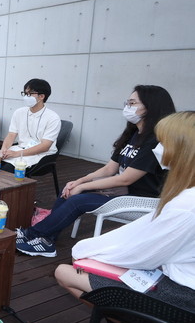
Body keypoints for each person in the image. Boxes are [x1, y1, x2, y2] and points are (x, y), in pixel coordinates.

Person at [55, 111, 195, 323]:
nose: (157, 148)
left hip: (184, 302)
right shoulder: (186, 197)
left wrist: (82, 250)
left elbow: (140, 252)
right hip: (179, 280)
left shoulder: (186, 205)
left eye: (163, 142)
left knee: (65, 272)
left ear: (182, 148)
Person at [16, 85, 176, 257]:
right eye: (127, 103)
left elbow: (125, 179)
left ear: (150, 107)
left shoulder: (155, 141)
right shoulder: (133, 135)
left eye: (132, 103)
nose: (127, 107)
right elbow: (110, 168)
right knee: (68, 190)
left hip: (140, 200)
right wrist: (79, 182)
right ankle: (46, 239)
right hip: (122, 192)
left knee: (77, 200)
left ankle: (33, 234)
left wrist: (83, 187)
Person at [0, 78, 61, 173]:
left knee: (8, 169)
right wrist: (4, 149)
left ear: (41, 96)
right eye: (25, 93)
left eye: (30, 94)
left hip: (42, 154)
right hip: (21, 148)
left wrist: (16, 154)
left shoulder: (53, 118)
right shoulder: (19, 112)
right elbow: (11, 134)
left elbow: (45, 146)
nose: (26, 97)